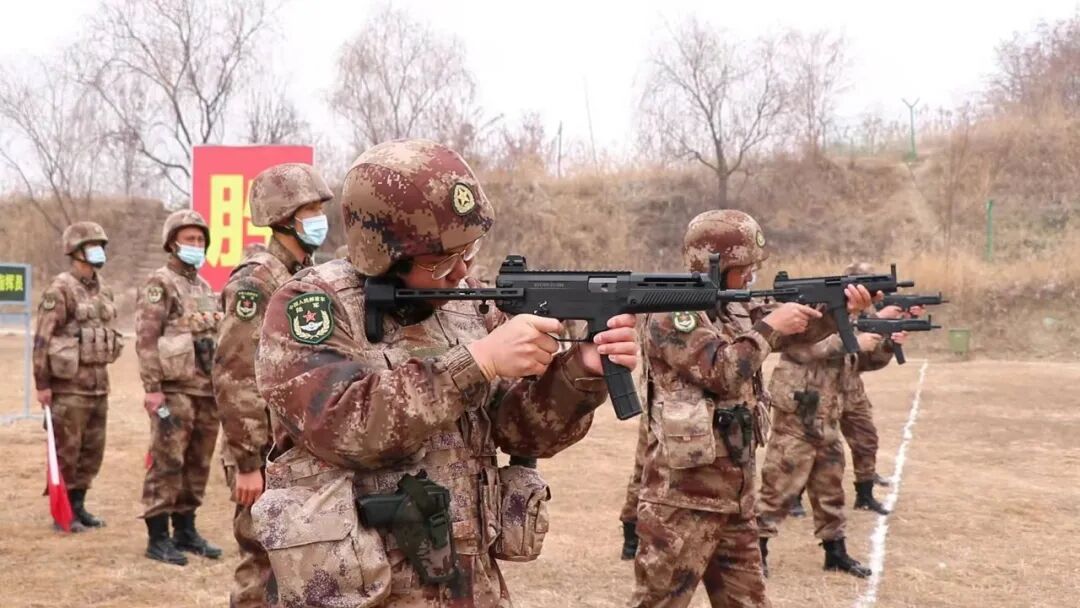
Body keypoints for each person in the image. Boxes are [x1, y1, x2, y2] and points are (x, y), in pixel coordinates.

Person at [250, 138, 639, 607]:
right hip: (369, 589)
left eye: (469, 252)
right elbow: (341, 425)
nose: (460, 273)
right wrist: (475, 364)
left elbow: (522, 433)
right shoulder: (312, 307)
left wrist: (578, 373)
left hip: (469, 584)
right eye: (441, 262)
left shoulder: (469, 304)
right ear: (383, 254)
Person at [629, 209, 873, 608]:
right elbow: (722, 371)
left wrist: (840, 310)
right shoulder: (673, 312)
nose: (751, 276)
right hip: (682, 503)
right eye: (744, 268)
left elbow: (794, 333)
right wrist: (772, 325)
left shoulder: (733, 307)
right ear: (716, 265)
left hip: (736, 500)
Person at [212, 163, 333, 606]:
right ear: (282, 217)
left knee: (297, 558)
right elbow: (234, 373)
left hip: (294, 445)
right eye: (310, 211)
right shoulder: (257, 280)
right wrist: (247, 462)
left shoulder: (306, 274)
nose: (320, 219)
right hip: (261, 451)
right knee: (262, 561)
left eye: (320, 209)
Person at [755, 296, 907, 579]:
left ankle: (835, 552)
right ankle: (756, 553)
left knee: (831, 490)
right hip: (798, 416)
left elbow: (861, 362)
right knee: (777, 489)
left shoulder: (844, 322)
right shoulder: (805, 316)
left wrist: (886, 345)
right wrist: (852, 342)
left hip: (828, 415)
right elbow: (805, 350)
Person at [135, 209, 223, 565]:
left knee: (198, 463)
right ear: (172, 243)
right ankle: (158, 537)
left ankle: (186, 530)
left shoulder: (203, 287)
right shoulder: (160, 283)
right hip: (173, 390)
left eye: (200, 239)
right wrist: (152, 388)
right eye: (190, 239)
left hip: (205, 390)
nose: (196, 245)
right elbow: (146, 339)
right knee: (167, 461)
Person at [33, 221, 123, 532]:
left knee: (91, 453)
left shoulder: (104, 289)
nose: (99, 251)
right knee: (67, 452)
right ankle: (63, 513)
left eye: (100, 245)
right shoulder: (60, 289)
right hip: (68, 388)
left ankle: (79, 505)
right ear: (75, 250)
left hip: (98, 386)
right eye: (92, 245)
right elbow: (42, 339)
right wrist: (42, 384)